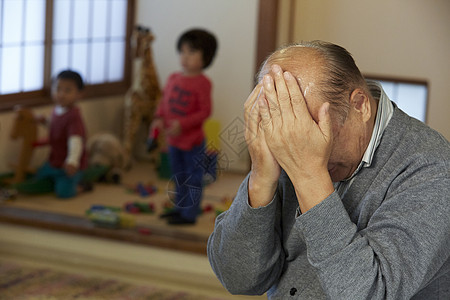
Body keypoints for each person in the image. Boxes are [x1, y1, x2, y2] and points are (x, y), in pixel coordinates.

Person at [207, 41, 450, 299]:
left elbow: (368, 293)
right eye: (280, 123)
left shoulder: (433, 170)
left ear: (359, 105)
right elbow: (239, 279)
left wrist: (309, 176)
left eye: (307, 126)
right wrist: (260, 178)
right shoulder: (284, 139)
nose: (293, 140)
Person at [150, 29, 218, 225]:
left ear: (205, 57)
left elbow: (205, 111)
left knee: (193, 178)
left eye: (191, 52)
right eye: (182, 52)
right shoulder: (173, 78)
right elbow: (164, 102)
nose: (185, 57)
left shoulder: (203, 83)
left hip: (193, 141)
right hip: (173, 141)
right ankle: (179, 208)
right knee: (178, 176)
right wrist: (158, 118)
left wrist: (183, 124)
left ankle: (189, 214)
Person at [17, 70, 88, 199]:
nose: (61, 94)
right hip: (54, 161)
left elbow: (75, 141)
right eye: (58, 89)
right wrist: (44, 121)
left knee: (64, 193)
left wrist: (72, 161)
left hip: (67, 165)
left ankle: (81, 186)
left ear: (79, 95)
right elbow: (56, 127)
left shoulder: (73, 117)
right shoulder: (57, 110)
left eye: (67, 90)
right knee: (40, 175)